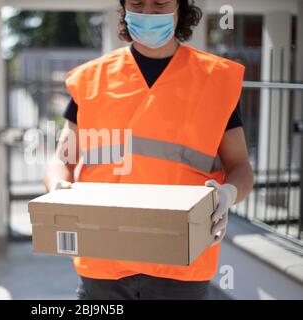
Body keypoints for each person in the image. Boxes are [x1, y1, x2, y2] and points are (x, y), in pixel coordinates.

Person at [44, 0, 254, 300]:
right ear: (124, 8)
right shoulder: (91, 79)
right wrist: (58, 187)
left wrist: (228, 193)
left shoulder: (215, 80)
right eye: (137, 4)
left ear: (181, 8)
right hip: (104, 259)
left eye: (159, 4)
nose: (147, 14)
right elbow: (60, 161)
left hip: (182, 258)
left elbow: (241, 168)